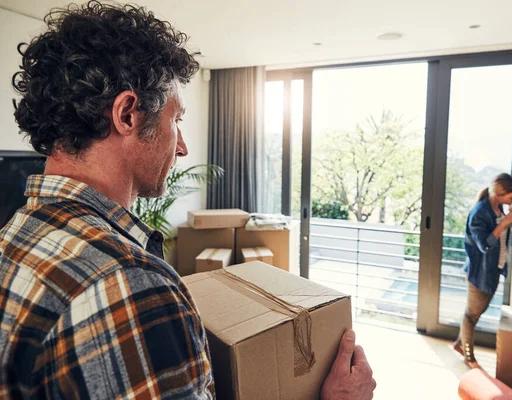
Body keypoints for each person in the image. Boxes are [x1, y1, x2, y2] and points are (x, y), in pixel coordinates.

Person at [0, 2, 376, 398]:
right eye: (175, 119)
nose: (182, 146)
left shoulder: (15, 236)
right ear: (127, 114)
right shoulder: (129, 282)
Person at [453, 173, 512, 369]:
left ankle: (460, 344)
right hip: (479, 272)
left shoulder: (498, 207)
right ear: (499, 194)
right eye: (511, 197)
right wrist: (504, 223)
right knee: (471, 316)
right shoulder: (480, 212)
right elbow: (484, 245)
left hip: (494, 268)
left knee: (476, 313)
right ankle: (469, 357)